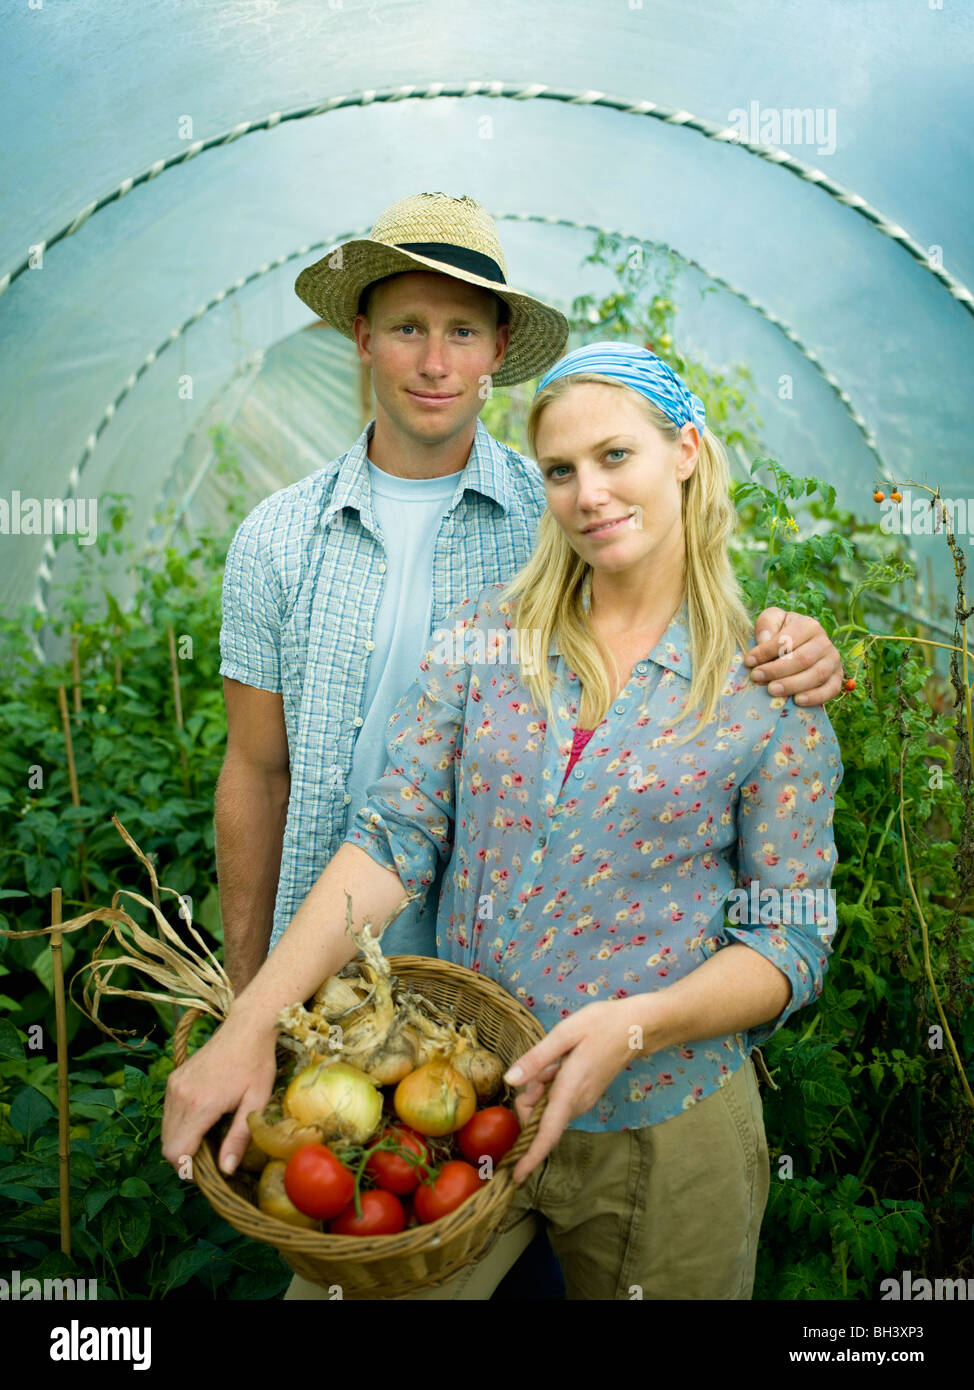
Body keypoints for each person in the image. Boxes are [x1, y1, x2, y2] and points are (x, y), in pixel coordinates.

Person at [163, 334, 844, 1300]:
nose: (588, 494)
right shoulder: (490, 636)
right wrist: (250, 1021)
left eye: (616, 457)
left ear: (686, 451)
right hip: (462, 1096)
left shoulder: (767, 684)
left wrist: (638, 1026)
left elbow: (789, 940)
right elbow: (394, 840)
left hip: (661, 1114)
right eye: (561, 471)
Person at [214, 191, 845, 1003]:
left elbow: (675, 630)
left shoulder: (556, 523)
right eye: (408, 327)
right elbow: (258, 773)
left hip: (491, 989)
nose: (435, 362)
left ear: (497, 349)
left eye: (463, 331)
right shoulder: (277, 538)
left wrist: (796, 645)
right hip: (314, 967)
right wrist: (243, 994)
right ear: (363, 338)